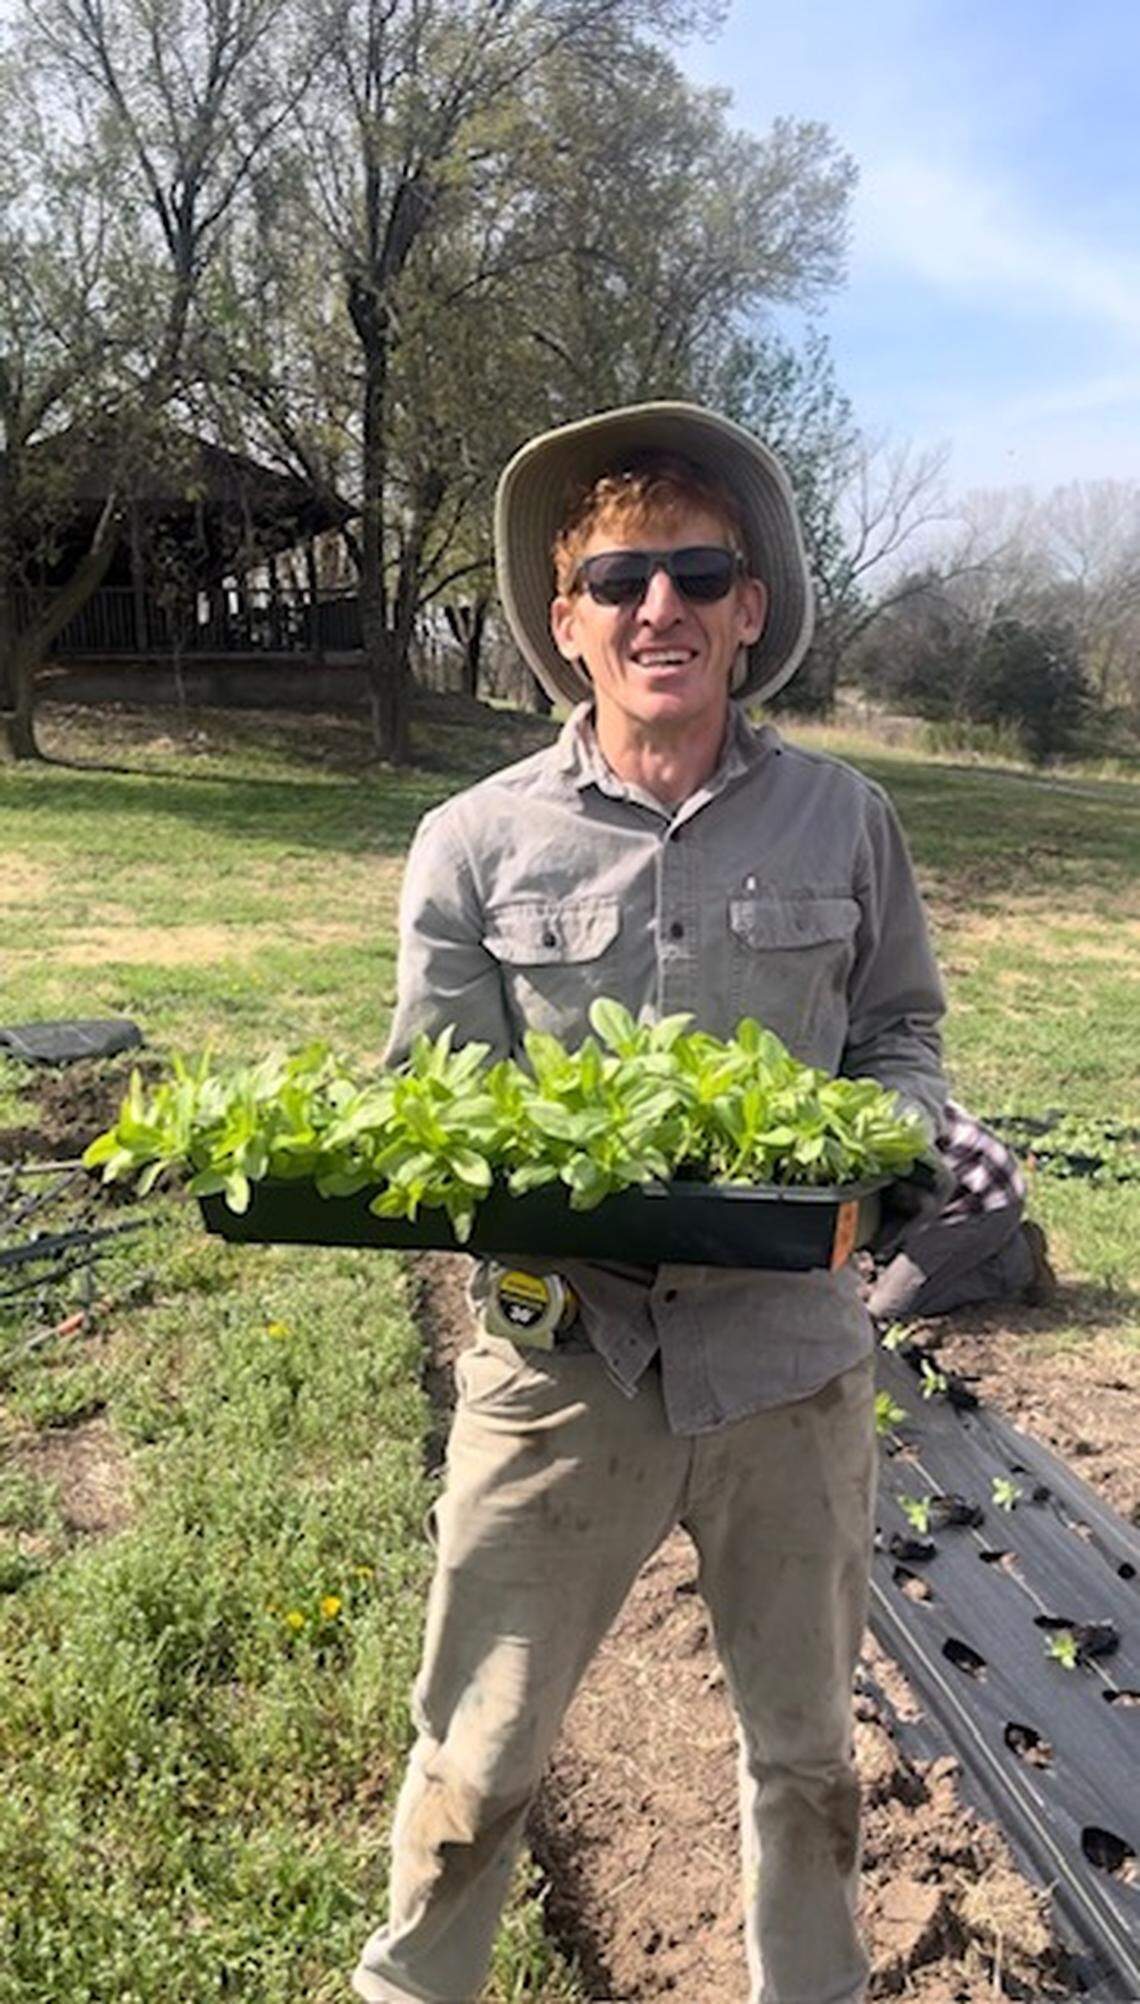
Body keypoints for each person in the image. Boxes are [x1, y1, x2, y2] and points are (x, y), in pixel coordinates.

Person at [352, 402, 947, 2004]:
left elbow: (900, 1032)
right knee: (477, 1760)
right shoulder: (474, 843)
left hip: (789, 1365)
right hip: (566, 1365)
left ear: (750, 607)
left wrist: (896, 1130)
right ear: (569, 623)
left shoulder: (846, 820)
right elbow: (435, 1100)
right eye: (619, 580)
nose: (658, 608)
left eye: (696, 574)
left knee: (809, 1762)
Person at [864, 1100, 1055, 1321]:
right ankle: (992, 1248)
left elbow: (904, 1208)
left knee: (884, 1309)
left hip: (981, 1199)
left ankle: (1017, 1262)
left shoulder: (890, 1121)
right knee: (868, 1289)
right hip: (941, 1191)